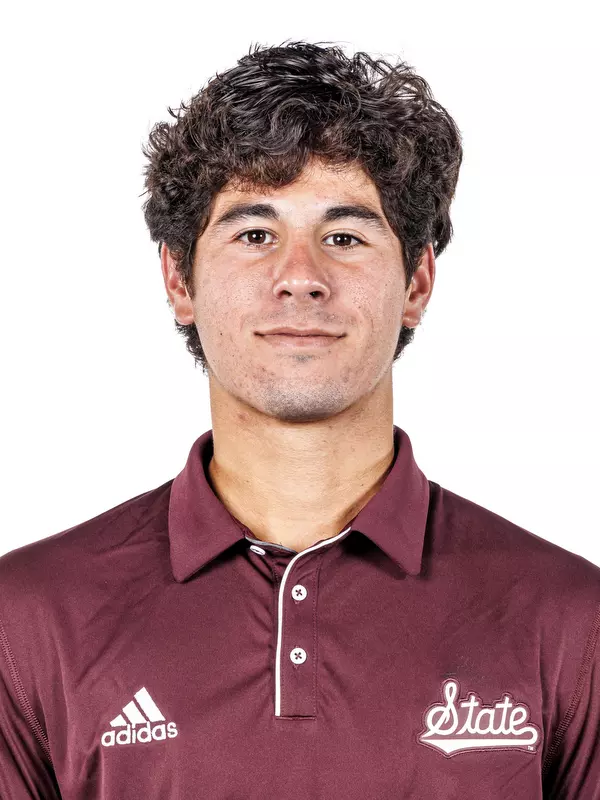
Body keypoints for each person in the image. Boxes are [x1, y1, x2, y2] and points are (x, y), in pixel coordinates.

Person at [0, 39, 598, 800]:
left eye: (344, 237)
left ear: (416, 282)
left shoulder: (572, 623)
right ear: (178, 279)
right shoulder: (25, 622)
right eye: (255, 235)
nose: (301, 278)